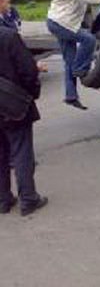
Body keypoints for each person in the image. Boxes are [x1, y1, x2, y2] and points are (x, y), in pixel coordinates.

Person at [0, 26, 48, 216]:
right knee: (21, 151)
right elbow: (28, 70)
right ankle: (28, 198)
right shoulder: (8, 36)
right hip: (12, 104)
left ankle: (3, 199)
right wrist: (30, 94)